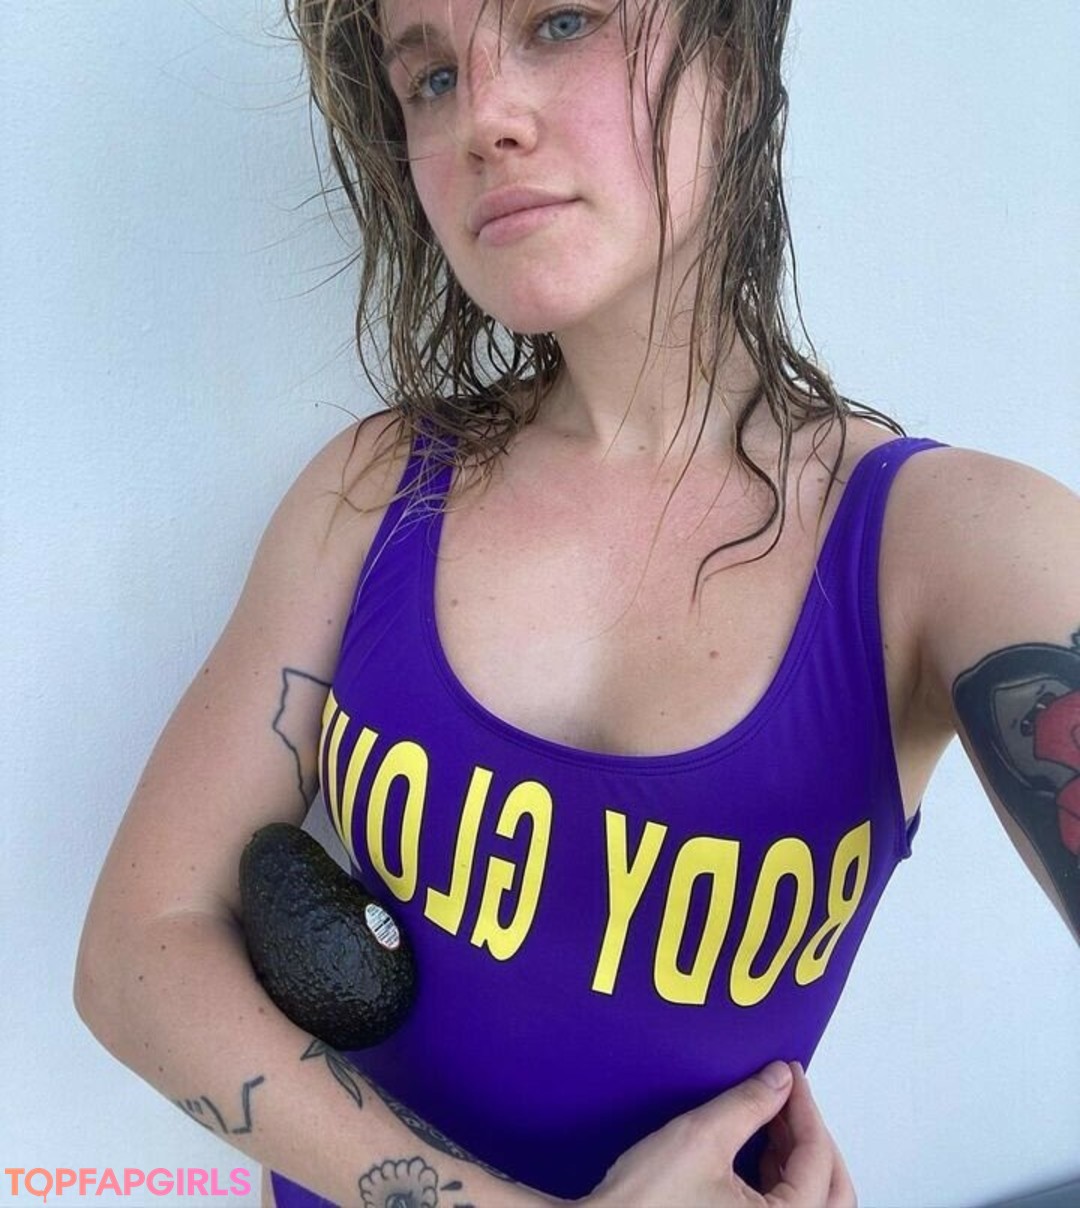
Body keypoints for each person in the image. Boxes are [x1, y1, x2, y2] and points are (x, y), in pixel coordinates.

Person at [73, 0, 1078, 1205]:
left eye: (560, 21)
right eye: (430, 77)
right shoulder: (374, 489)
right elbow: (138, 947)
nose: (483, 116)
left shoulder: (943, 544)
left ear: (731, 60)